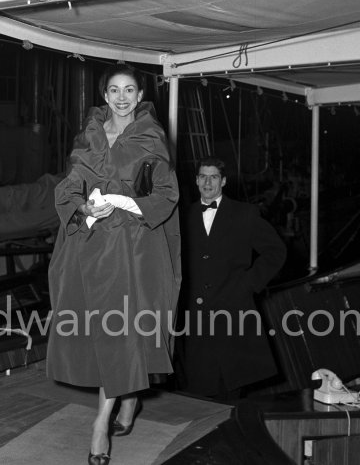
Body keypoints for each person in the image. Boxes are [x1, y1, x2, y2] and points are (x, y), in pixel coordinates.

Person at [46, 63, 181, 465]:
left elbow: (166, 192)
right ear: (105, 96)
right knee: (101, 330)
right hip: (89, 243)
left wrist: (125, 202)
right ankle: (131, 397)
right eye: (115, 91)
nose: (122, 98)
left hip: (134, 245)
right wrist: (84, 209)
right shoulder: (87, 136)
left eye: (130, 90)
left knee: (122, 330)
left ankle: (100, 424)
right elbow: (68, 186)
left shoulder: (152, 136)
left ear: (140, 96)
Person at [176, 156, 286, 401]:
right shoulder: (183, 218)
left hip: (232, 316)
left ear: (223, 181)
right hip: (196, 323)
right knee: (197, 394)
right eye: (203, 176)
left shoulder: (244, 214)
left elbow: (276, 251)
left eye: (213, 177)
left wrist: (248, 284)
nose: (207, 182)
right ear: (196, 180)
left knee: (230, 393)